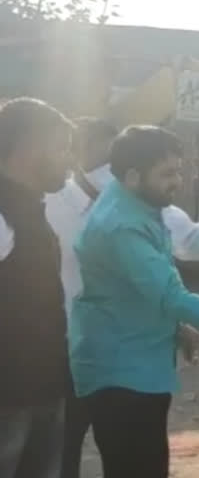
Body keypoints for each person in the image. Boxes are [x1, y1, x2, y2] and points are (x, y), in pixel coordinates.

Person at [45, 118, 199, 478]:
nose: (178, 183)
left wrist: (175, 326)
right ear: (134, 176)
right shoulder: (122, 224)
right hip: (121, 374)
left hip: (134, 365)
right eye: (168, 174)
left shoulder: (136, 206)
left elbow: (147, 282)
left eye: (178, 172)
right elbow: (172, 296)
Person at [0, 98, 74, 478]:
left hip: (43, 388)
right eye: (61, 148)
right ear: (30, 147)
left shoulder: (31, 207)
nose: (68, 161)